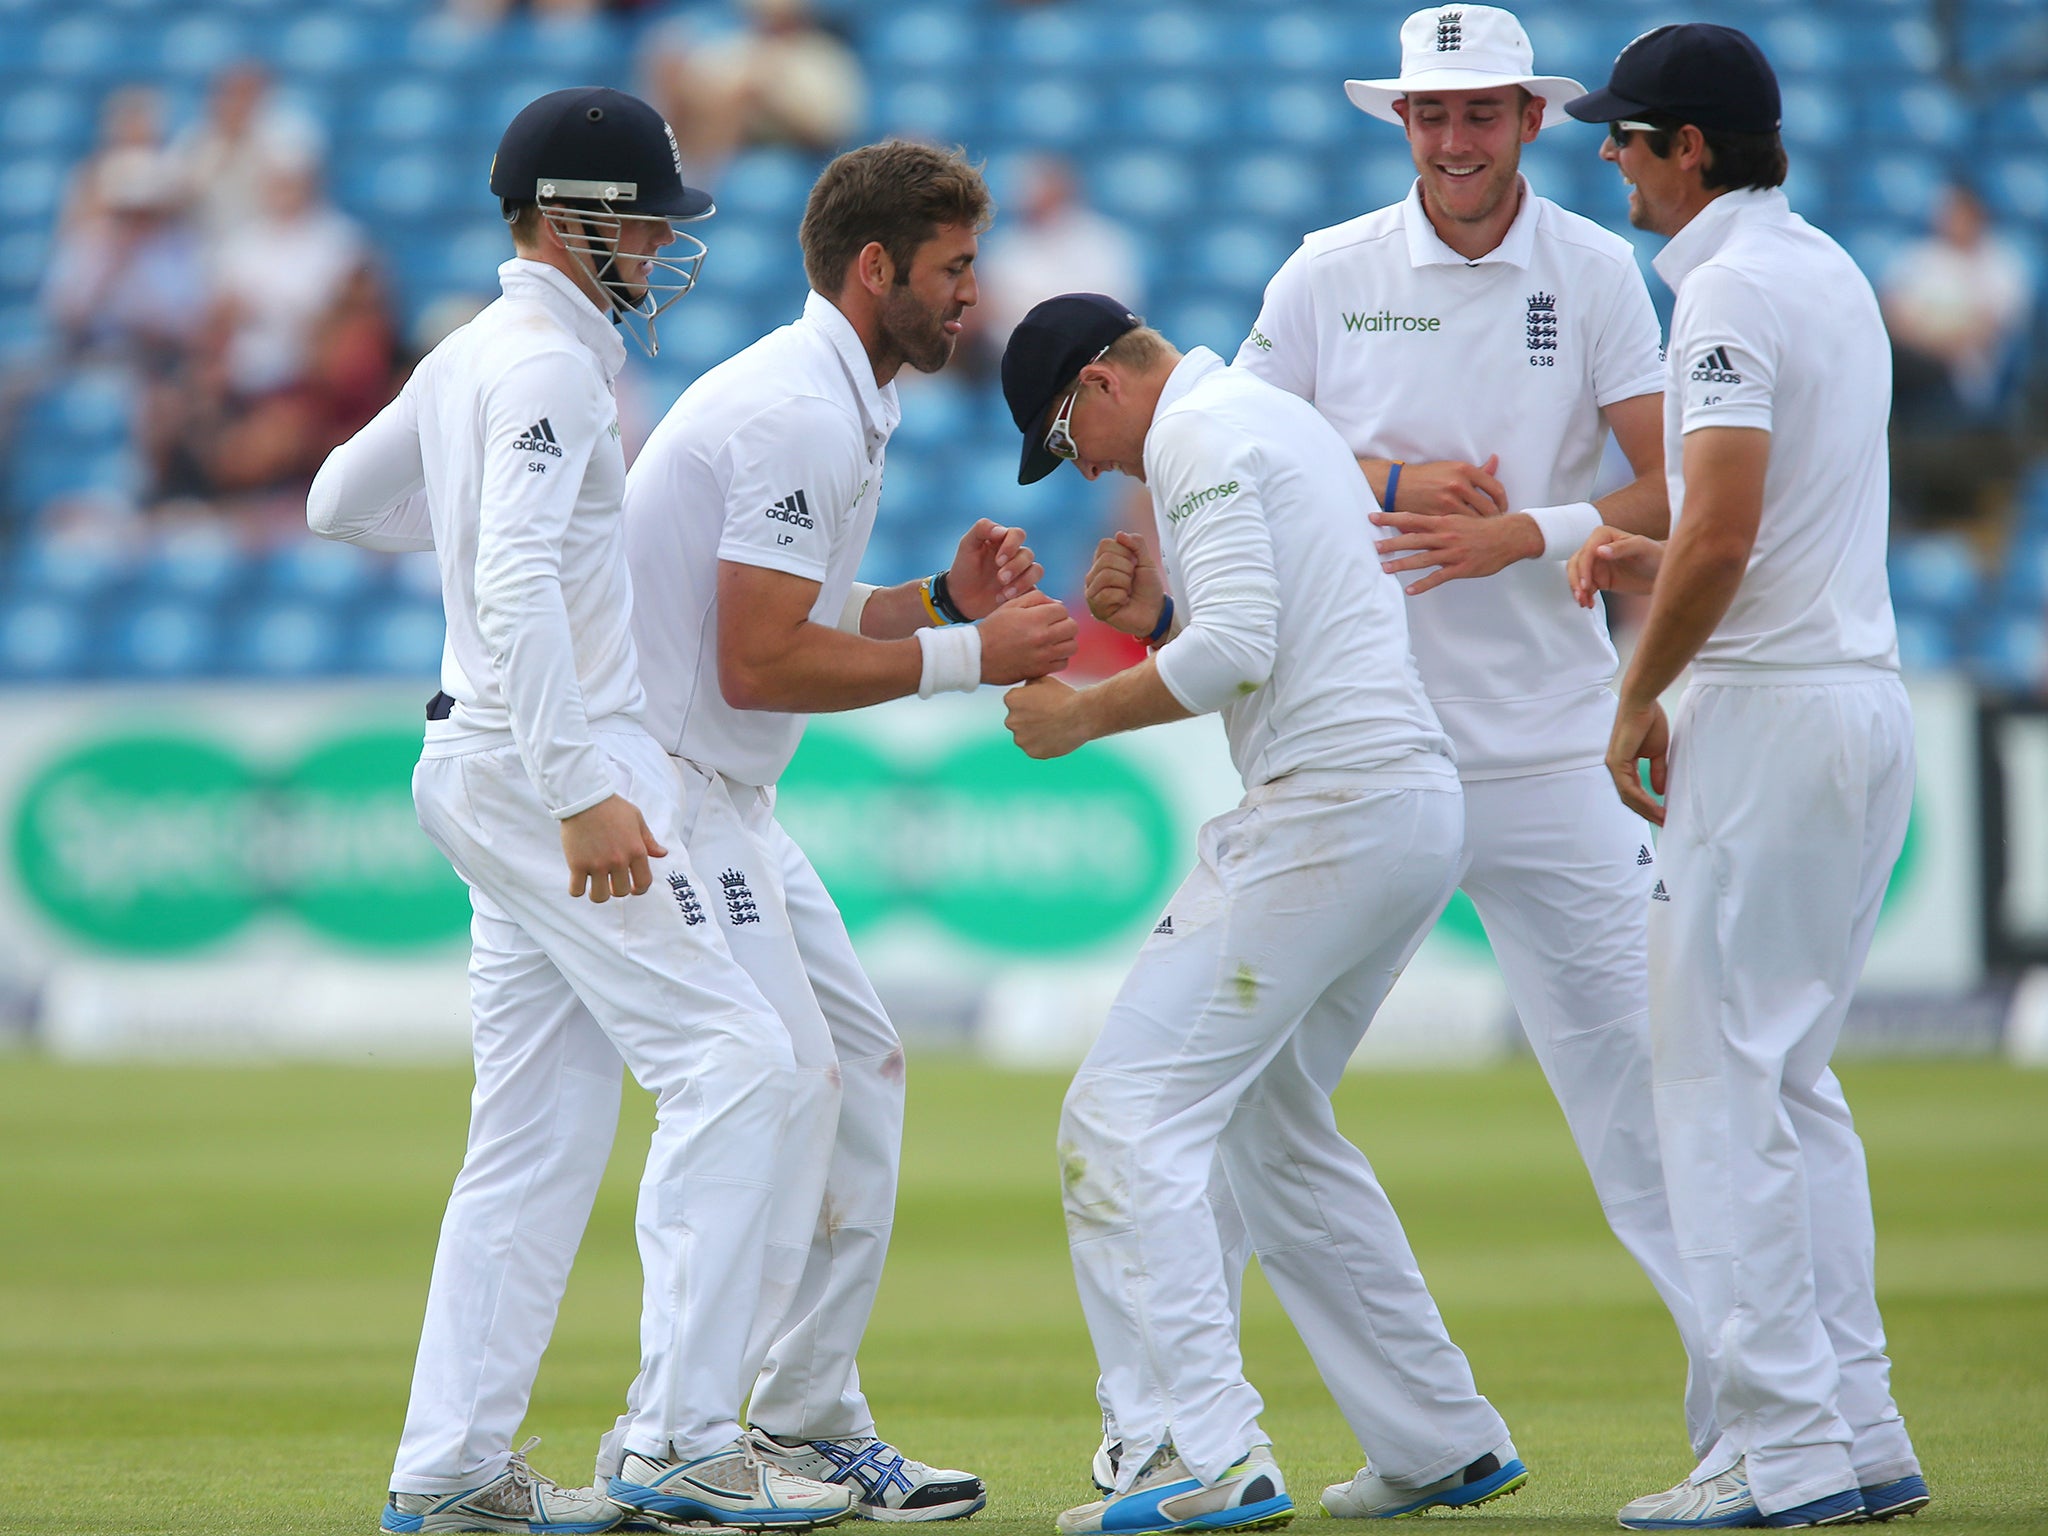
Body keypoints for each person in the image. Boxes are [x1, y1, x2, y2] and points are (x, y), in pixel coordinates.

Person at [306, 87, 854, 1535]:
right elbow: (516, 586)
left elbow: (335, 505)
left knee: (536, 1136)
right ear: (572, 219)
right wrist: (582, 794)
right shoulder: (546, 367)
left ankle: (452, 1471)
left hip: (478, 761)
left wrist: (475, 501)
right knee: (741, 1066)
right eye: (649, 217)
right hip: (546, 769)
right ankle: (678, 1437)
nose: (669, 241)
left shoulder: (477, 353)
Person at [1225, 6, 1713, 1514]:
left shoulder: (1594, 270)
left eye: (1482, 116)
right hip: (1363, 757)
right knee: (1245, 1104)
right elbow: (1231, 452)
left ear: (1531, 120)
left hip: (1551, 754)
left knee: (1653, 1122)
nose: (1456, 144)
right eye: (1433, 118)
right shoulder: (1326, 272)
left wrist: (1535, 530)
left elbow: (1675, 481)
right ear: (1402, 126)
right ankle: (1418, 1439)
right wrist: (1382, 476)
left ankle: (1772, 1437)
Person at [1000, 294, 1527, 1536]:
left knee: (1116, 1118)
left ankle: (1195, 1453)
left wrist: (1082, 705)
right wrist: (1149, 630)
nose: (1076, 463)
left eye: (1061, 433)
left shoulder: (1198, 437)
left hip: (1330, 810)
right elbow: (1270, 641)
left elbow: (1238, 651)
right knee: (1267, 1124)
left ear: (1096, 385)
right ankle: (1436, 1437)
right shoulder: (1265, 418)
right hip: (1399, 804)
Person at [612, 140, 1074, 1521]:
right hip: (674, 787)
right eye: (951, 272)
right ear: (875, 270)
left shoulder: (835, 393)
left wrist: (933, 599)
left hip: (727, 790)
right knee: (762, 1082)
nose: (971, 300)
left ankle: (803, 1418)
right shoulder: (797, 411)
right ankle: (674, 1435)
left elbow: (785, 621)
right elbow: (757, 662)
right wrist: (971, 659)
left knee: (858, 1068)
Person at [1564, 25, 1929, 1530]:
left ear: (1690, 149)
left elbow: (1719, 536)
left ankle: (1781, 1460)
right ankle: (1858, 1427)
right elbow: (1760, 531)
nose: (1610, 162)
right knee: (1792, 1082)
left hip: (1771, 716)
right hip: (1857, 694)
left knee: (1716, 1089)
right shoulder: (1828, 267)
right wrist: (1664, 559)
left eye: (1628, 139)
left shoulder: (1721, 290)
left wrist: (1640, 690)